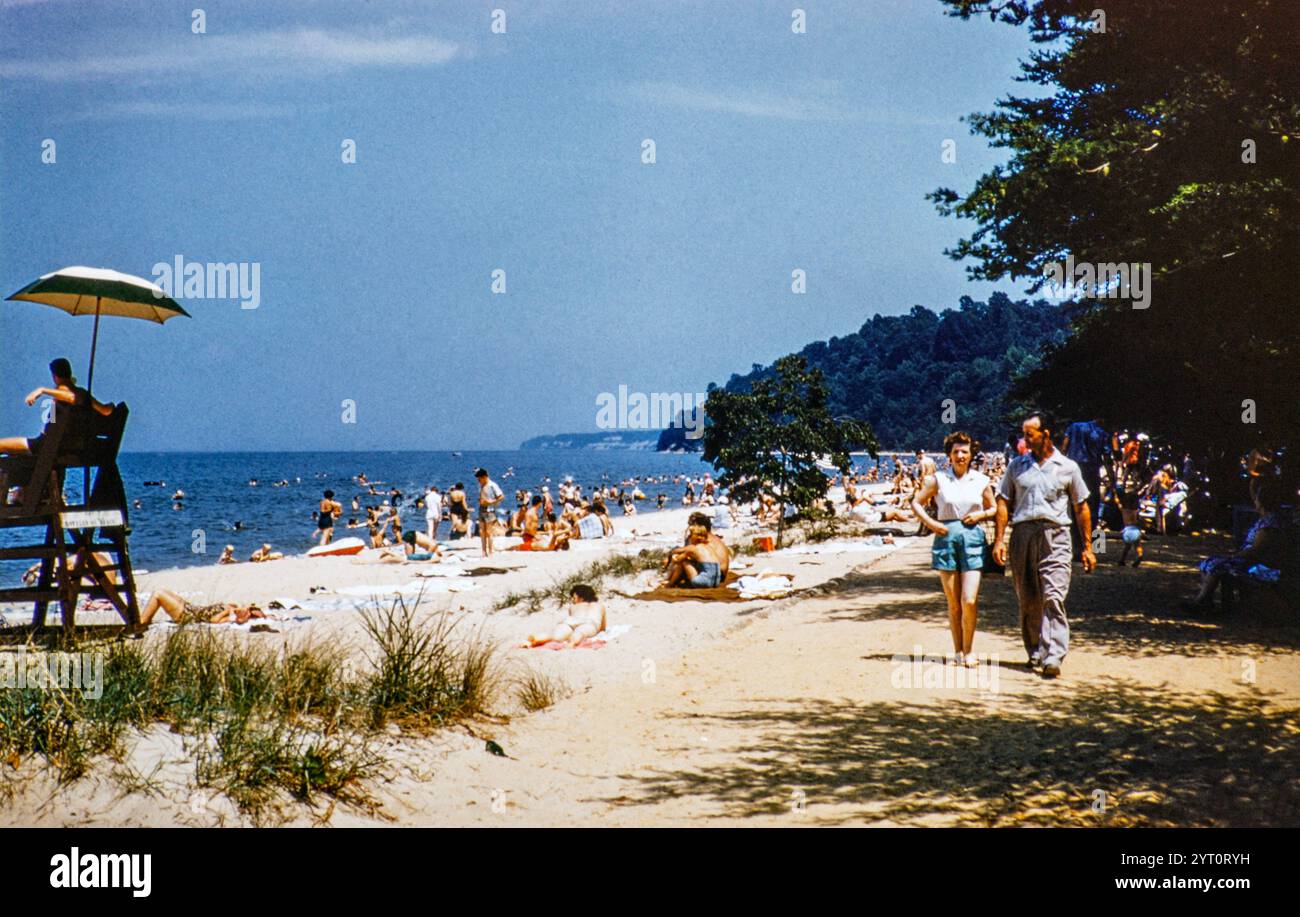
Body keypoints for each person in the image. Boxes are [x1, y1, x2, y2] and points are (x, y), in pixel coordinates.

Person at [992, 411, 1096, 679]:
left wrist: (1088, 547)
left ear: (1046, 434)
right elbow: (1003, 501)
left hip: (1056, 535)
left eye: (1029, 434)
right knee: (1028, 599)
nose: (1024, 439)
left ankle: (1054, 656)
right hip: (1022, 535)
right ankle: (1035, 650)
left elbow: (1081, 507)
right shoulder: (1016, 466)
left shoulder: (1068, 467)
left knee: (1053, 595)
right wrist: (999, 540)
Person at [910, 432, 996, 667]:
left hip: (973, 540)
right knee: (953, 602)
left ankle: (969, 650)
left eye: (964, 452)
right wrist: (932, 523)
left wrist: (981, 514)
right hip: (946, 540)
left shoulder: (980, 480)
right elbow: (916, 502)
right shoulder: (938, 479)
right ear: (949, 454)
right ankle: (958, 651)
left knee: (969, 599)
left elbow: (995, 508)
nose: (960, 456)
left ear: (971, 455)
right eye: (956, 451)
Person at [0, 358, 115, 501]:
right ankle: (25, 492)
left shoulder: (66, 394)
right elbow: (105, 411)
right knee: (17, 454)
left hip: (45, 446)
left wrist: (42, 390)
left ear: (55, 376)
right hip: (68, 447)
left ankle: (15, 493)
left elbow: (71, 397)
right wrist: (112, 407)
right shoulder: (83, 395)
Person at [1183, 480, 1293, 613]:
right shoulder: (1266, 519)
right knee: (1212, 562)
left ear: (1262, 502)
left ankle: (1202, 601)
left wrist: (1234, 556)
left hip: (1260, 564)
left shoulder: (1270, 523)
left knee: (1217, 565)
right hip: (1251, 559)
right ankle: (1205, 599)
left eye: (1257, 500)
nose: (1255, 502)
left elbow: (1256, 550)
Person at [1061, 416, 1111, 556]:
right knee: (1093, 509)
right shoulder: (1102, 433)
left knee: (1073, 508)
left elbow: (1064, 448)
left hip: (1072, 471)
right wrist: (1112, 478)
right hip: (1091, 472)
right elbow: (1107, 458)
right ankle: (1093, 547)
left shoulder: (1073, 426)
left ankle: (1074, 547)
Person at [520, 584, 606, 648]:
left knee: (554, 635)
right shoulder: (600, 605)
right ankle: (571, 644)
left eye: (574, 598)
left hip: (571, 621)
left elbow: (572, 620)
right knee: (580, 633)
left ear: (581, 598)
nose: (572, 600)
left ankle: (532, 640)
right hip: (589, 623)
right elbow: (602, 627)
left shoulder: (573, 607)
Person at [138, 588, 266, 628]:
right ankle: (145, 619)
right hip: (190, 607)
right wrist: (235, 607)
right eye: (248, 607)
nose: (246, 607)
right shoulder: (233, 609)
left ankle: (142, 622)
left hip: (186, 615)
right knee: (162, 590)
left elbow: (213, 620)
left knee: (158, 594)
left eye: (248, 610)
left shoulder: (230, 617)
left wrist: (229, 611)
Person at [663, 512, 731, 588]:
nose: (689, 527)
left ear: (697, 526)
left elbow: (685, 555)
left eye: (690, 524)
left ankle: (669, 582)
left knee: (683, 561)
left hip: (715, 575)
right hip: (717, 576)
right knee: (683, 557)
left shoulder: (701, 543)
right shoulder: (710, 540)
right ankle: (668, 579)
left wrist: (671, 559)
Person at [475, 468, 505, 556]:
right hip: (481, 509)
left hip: (490, 510)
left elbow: (501, 496)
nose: (478, 480)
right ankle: (484, 551)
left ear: (484, 477)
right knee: (482, 531)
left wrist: (491, 502)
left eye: (479, 478)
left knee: (489, 532)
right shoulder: (481, 485)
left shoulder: (492, 485)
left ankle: (491, 550)